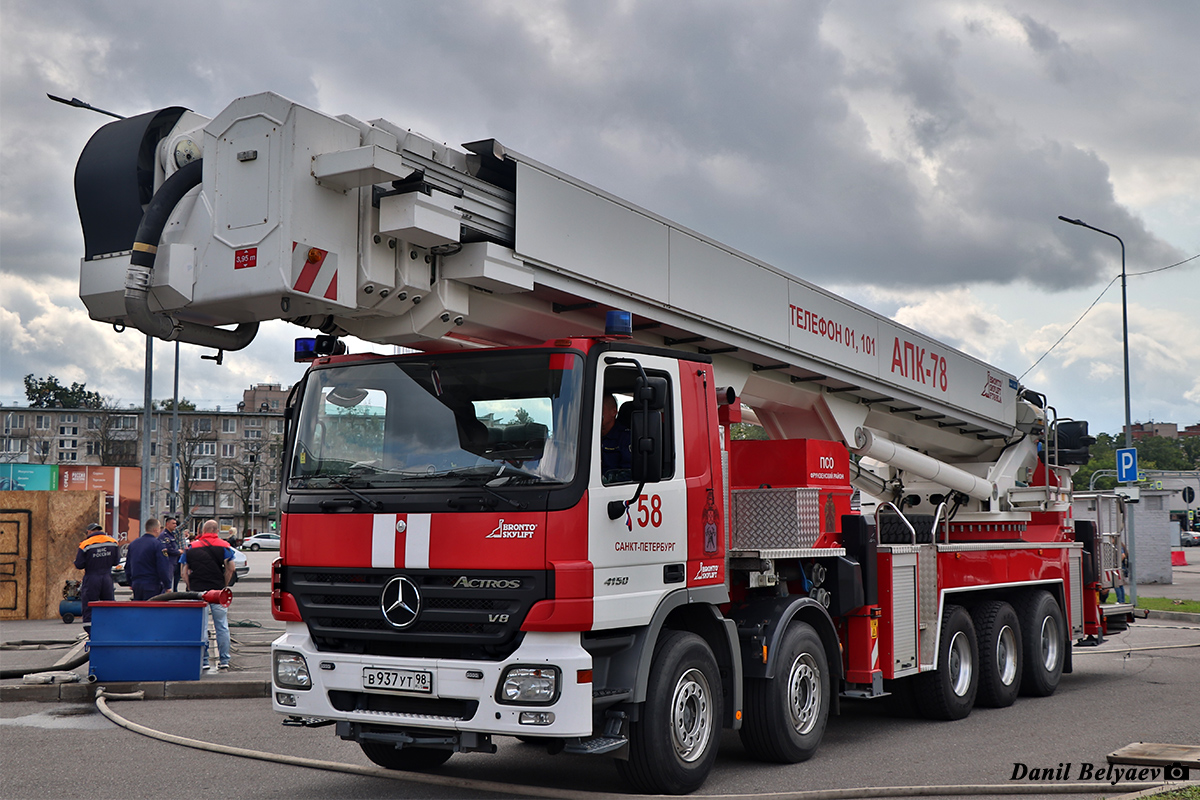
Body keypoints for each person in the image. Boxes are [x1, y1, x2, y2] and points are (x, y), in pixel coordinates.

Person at [181, 519, 236, 672]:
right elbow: (231, 568)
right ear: (217, 531)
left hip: (198, 591)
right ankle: (224, 659)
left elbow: (183, 572)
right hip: (218, 591)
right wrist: (223, 585)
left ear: (203, 532)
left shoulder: (191, 547)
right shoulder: (225, 546)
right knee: (222, 626)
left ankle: (204, 660)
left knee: (201, 626)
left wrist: (191, 587)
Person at [73, 523, 120, 632]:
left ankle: (92, 633)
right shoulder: (113, 542)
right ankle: (109, 632)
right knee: (108, 605)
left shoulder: (85, 544)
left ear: (89, 532)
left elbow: (79, 564)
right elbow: (116, 561)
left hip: (92, 578)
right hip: (107, 578)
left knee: (89, 606)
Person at [126, 517, 172, 601]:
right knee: (151, 611)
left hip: (137, 584)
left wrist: (130, 582)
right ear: (155, 529)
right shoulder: (158, 545)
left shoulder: (133, 544)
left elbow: (128, 566)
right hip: (152, 584)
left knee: (139, 610)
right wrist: (167, 585)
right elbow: (163, 567)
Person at [600, 394, 632, 474]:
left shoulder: (625, 438)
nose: (596, 413)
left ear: (614, 412)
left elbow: (628, 474)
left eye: (601, 409)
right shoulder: (586, 434)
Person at [158, 516, 183, 591]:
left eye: (175, 523)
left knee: (172, 580)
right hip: (168, 561)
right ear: (167, 524)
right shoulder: (164, 535)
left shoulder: (172, 534)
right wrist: (179, 551)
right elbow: (168, 549)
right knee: (167, 581)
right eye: (173, 523)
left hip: (173, 561)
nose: (175, 525)